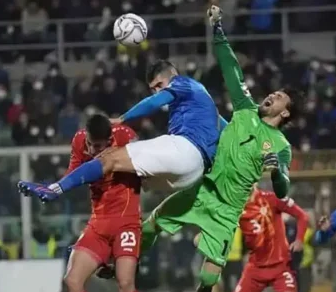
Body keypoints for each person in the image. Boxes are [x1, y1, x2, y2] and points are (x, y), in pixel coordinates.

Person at [137, 5, 302, 292]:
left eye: (278, 98)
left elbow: (284, 189)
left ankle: (207, 284)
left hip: (229, 207)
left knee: (209, 275)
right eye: (273, 93)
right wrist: (218, 30)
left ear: (285, 112)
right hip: (203, 186)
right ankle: (132, 260)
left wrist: (277, 172)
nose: (271, 95)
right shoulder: (244, 107)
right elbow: (231, 68)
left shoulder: (281, 146)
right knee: (152, 223)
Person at [17, 59, 224, 202]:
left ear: (172, 75)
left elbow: (156, 101)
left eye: (159, 84)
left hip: (185, 150)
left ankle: (54, 189)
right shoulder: (205, 102)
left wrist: (122, 118)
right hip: (193, 173)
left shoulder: (183, 83)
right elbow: (227, 128)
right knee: (124, 172)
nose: (158, 90)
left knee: (110, 158)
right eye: (153, 87)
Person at [61, 115, 145, 292]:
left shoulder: (126, 137)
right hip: (98, 223)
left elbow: (147, 167)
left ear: (110, 140)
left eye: (100, 146)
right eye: (91, 144)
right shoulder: (78, 141)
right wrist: (56, 187)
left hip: (127, 221)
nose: (94, 150)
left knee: (125, 281)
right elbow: (73, 175)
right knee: (72, 280)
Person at [208, 186, 308, 292]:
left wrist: (299, 240)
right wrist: (206, 237)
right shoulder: (235, 208)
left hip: (280, 268)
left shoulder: (274, 198)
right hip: (255, 271)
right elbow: (219, 229)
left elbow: (302, 216)